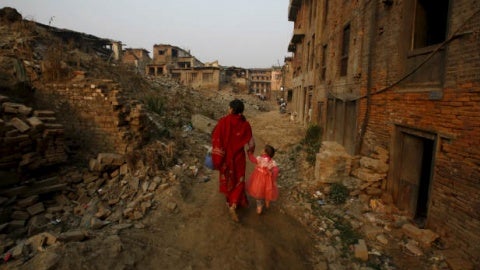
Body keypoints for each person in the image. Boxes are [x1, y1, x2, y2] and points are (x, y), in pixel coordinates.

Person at [211, 99, 255, 222]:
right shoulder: (245, 124)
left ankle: (230, 202)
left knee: (229, 178)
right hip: (239, 158)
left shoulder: (223, 121)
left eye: (229, 107)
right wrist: (250, 152)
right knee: (239, 180)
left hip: (226, 158)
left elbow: (215, 137)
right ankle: (234, 204)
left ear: (232, 109)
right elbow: (251, 143)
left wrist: (216, 156)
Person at [246, 144, 279, 215]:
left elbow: (253, 160)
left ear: (265, 152)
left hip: (259, 179)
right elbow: (276, 170)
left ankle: (259, 208)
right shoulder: (272, 161)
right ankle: (267, 203)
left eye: (263, 149)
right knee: (267, 191)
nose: (261, 150)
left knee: (259, 193)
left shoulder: (260, 159)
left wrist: (249, 154)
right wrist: (273, 178)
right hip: (267, 180)